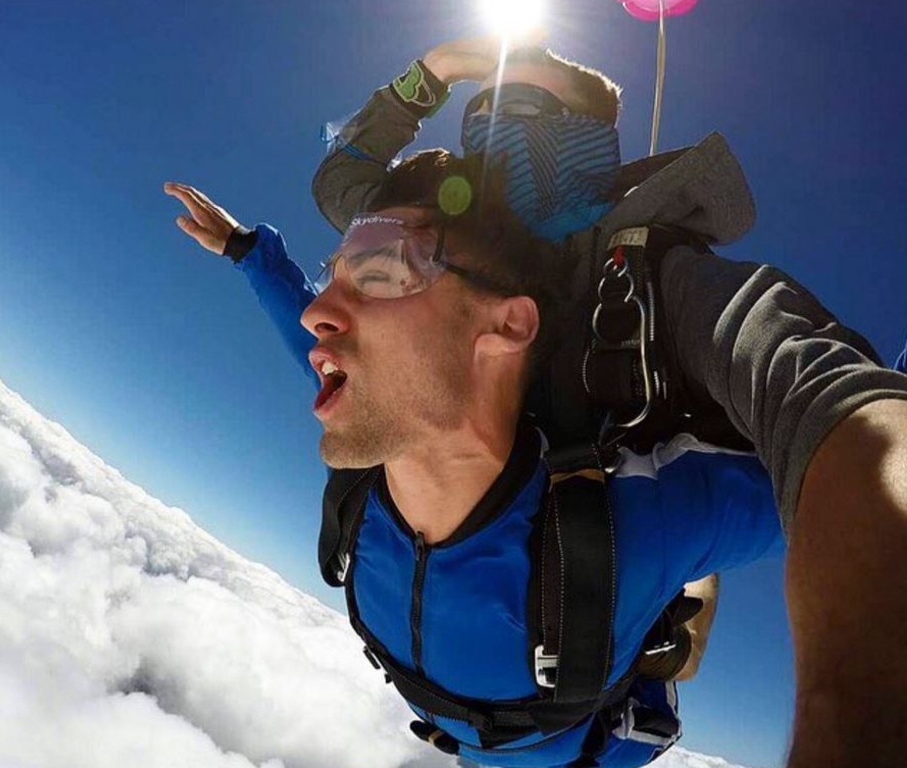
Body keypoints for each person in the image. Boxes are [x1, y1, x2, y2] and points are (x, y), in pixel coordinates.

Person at [309, 38, 907, 768]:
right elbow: (341, 184)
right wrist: (433, 73)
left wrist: (851, 722)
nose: (495, 131)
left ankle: (669, 626)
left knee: (648, 587)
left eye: (526, 105)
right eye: (487, 106)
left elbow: (817, 392)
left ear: (584, 139)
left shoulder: (655, 280)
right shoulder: (431, 242)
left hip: (598, 546)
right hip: (506, 633)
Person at [165, 152, 784, 768]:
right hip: (474, 744)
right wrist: (249, 251)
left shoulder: (635, 529)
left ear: (507, 325)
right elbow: (302, 328)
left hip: (588, 755)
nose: (316, 312)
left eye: (380, 273)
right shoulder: (380, 431)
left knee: (677, 635)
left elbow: (842, 477)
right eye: (335, 278)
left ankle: (686, 601)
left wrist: (875, 395)